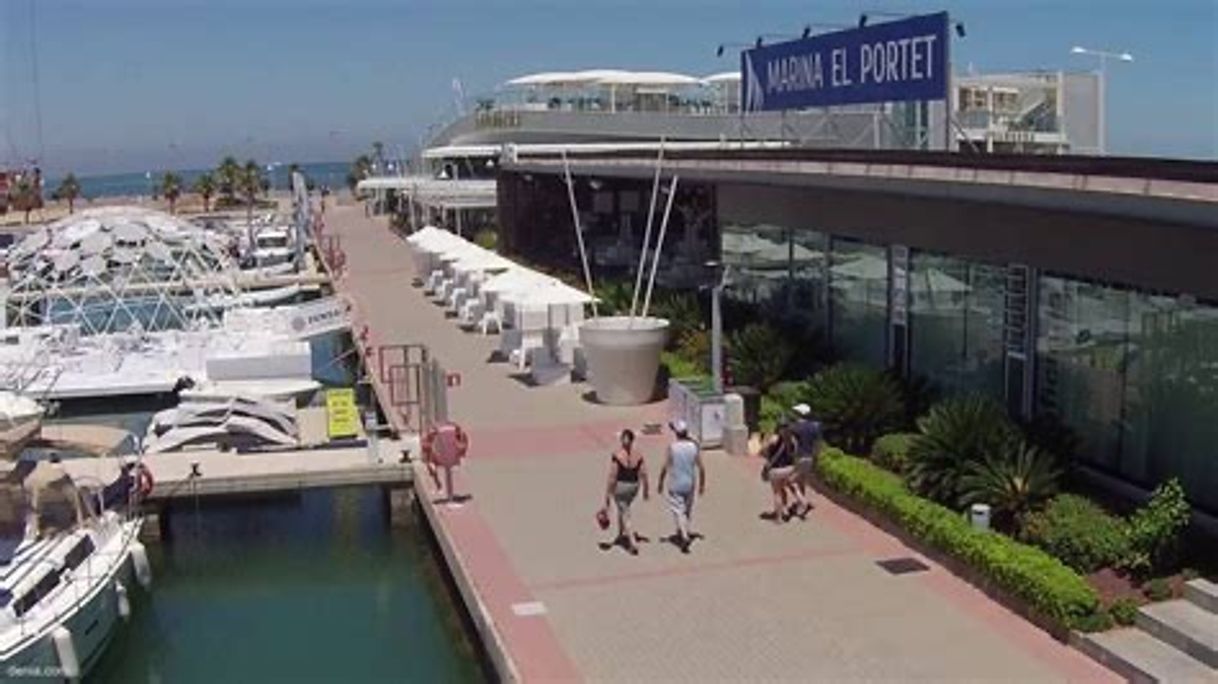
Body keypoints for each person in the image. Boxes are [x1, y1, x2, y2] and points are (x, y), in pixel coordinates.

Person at [598, 429, 649, 555]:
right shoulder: (638, 454)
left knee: (625, 513)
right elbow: (643, 473)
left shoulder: (617, 455)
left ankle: (632, 542)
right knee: (624, 507)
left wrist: (607, 495)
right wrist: (646, 490)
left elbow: (612, 477)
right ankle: (620, 533)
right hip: (634, 487)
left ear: (622, 440)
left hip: (620, 487)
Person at [657, 420, 705, 553]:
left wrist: (660, 482)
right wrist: (702, 484)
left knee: (678, 511)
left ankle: (684, 536)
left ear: (677, 433)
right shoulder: (693, 447)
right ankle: (685, 531)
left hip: (676, 483)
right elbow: (701, 468)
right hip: (690, 483)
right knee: (687, 510)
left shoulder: (672, 447)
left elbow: (664, 467)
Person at [760, 421, 806, 523]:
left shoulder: (774, 438)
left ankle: (779, 518)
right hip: (789, 469)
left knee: (777, 493)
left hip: (776, 470)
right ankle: (801, 501)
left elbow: (763, 451)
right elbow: (795, 455)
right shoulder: (793, 440)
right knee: (791, 486)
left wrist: (765, 441)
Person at [788, 403, 820, 519]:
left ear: (799, 414)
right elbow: (817, 445)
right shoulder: (815, 427)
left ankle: (802, 502)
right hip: (809, 457)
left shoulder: (795, 427)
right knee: (802, 481)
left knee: (790, 481)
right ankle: (800, 506)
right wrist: (816, 458)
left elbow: (792, 443)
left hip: (799, 457)